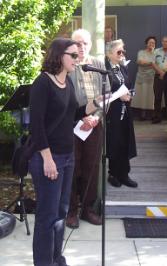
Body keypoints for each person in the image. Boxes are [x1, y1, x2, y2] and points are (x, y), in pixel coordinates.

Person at [28, 38, 101, 266]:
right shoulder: (42, 83)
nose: (78, 59)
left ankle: (56, 258)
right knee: (47, 217)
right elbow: (36, 126)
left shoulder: (67, 82)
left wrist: (96, 102)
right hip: (48, 158)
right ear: (60, 56)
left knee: (61, 213)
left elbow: (74, 113)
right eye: (73, 55)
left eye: (78, 56)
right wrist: (48, 160)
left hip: (67, 157)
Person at [66, 29, 110, 229]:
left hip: (94, 125)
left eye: (85, 43)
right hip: (71, 126)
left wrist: (96, 116)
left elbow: (107, 94)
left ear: (90, 45)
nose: (81, 47)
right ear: (72, 46)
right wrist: (80, 116)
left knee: (91, 168)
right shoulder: (67, 65)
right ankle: (71, 211)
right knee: (73, 168)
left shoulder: (99, 65)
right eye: (78, 43)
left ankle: (87, 210)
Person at [105, 39, 137, 188]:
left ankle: (124, 173)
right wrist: (119, 96)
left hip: (125, 110)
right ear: (109, 53)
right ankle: (114, 173)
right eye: (119, 51)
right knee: (115, 141)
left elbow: (128, 85)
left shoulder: (122, 67)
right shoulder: (105, 69)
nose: (122, 54)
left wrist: (130, 94)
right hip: (113, 111)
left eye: (123, 51)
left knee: (126, 139)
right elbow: (104, 92)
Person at [131, 36, 157, 120]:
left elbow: (157, 64)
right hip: (142, 77)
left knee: (151, 96)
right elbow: (140, 61)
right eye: (150, 42)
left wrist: (151, 60)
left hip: (152, 77)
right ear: (146, 44)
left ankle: (152, 114)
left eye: (153, 43)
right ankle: (142, 114)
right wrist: (151, 63)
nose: (151, 44)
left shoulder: (156, 53)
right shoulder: (141, 52)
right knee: (142, 96)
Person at [152, 36, 167, 123]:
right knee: (157, 97)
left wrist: (164, 73)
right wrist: (160, 72)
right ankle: (157, 117)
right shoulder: (156, 51)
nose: (166, 43)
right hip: (158, 76)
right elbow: (152, 63)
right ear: (162, 42)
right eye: (164, 41)